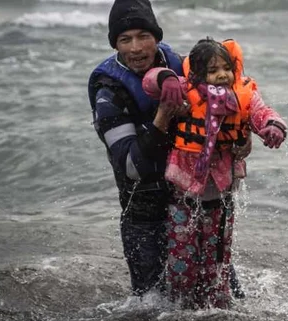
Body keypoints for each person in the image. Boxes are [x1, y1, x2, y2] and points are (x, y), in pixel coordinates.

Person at [87, 0, 246, 298]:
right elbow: (133, 168)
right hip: (145, 213)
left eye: (143, 36)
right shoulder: (109, 92)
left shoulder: (183, 65)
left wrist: (240, 140)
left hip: (194, 201)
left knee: (226, 298)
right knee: (152, 309)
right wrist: (164, 114)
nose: (136, 47)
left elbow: (231, 105)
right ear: (115, 44)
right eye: (125, 39)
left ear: (157, 37)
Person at [141, 38, 287, 308]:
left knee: (218, 260)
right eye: (212, 70)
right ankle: (181, 308)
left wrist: (273, 126)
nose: (221, 75)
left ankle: (215, 308)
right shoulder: (185, 91)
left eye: (226, 68)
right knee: (182, 261)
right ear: (196, 75)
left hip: (221, 199)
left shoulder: (242, 94)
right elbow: (148, 82)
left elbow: (262, 112)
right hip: (183, 198)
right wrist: (166, 78)